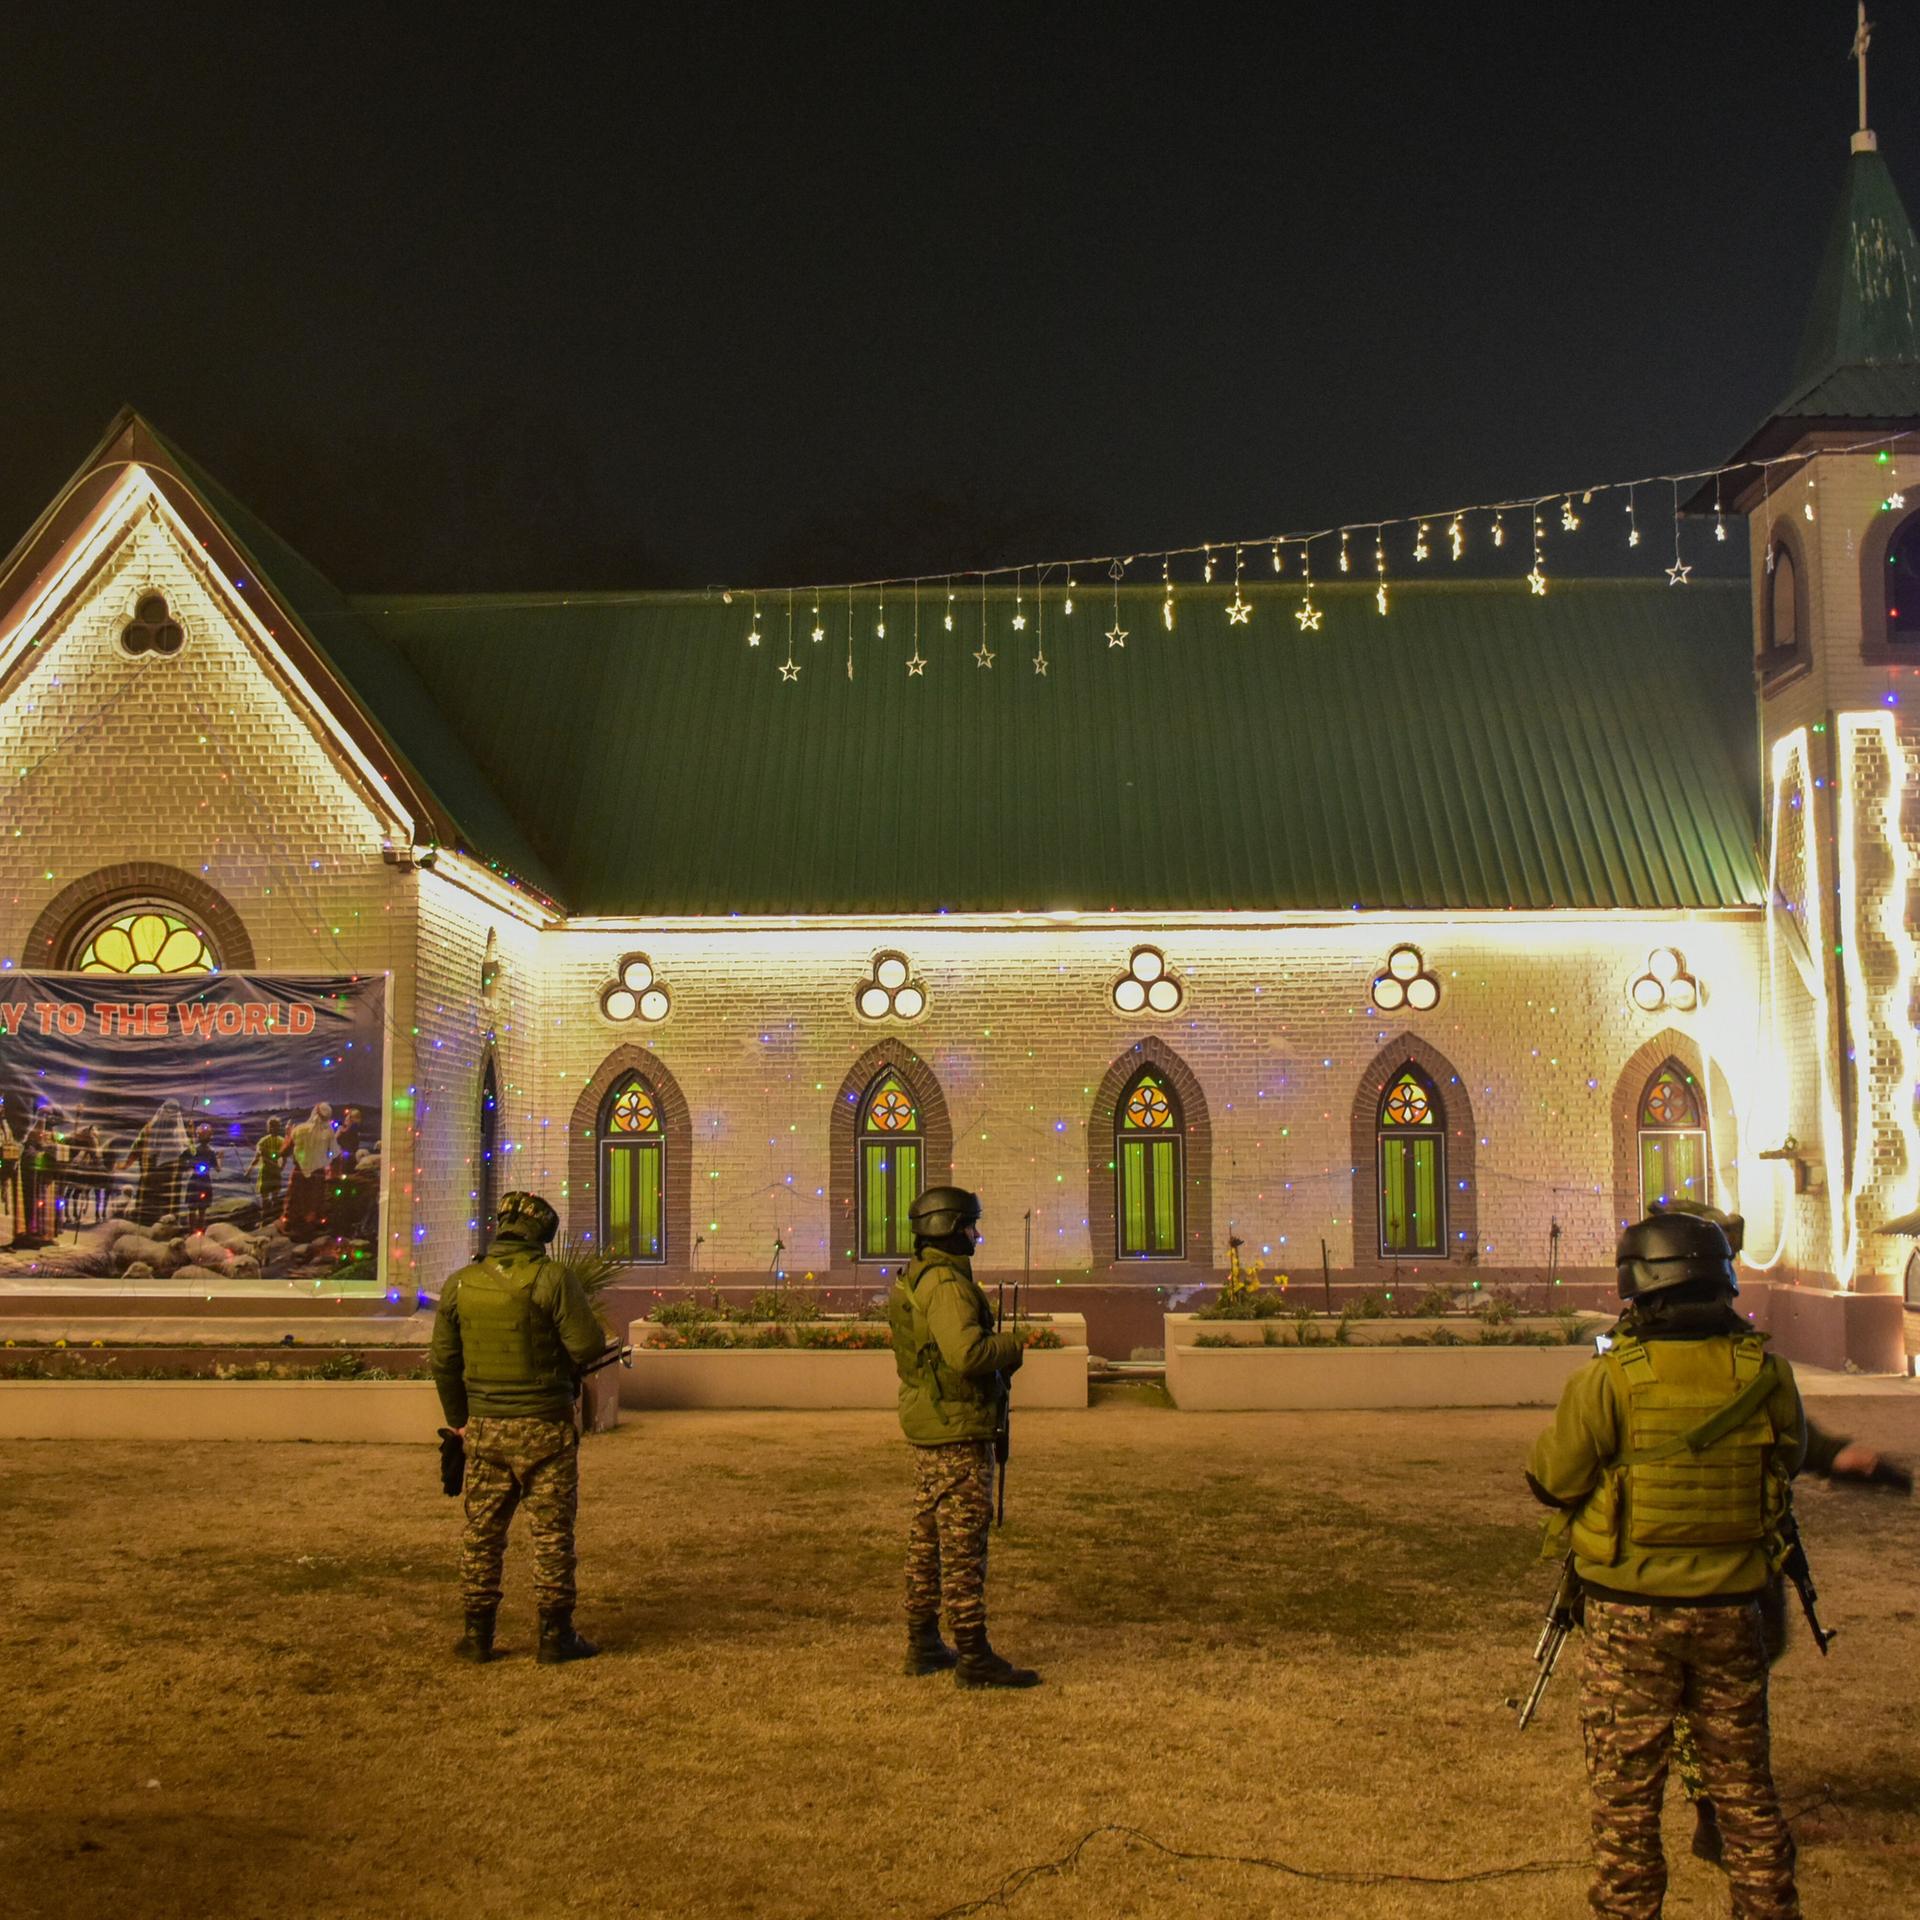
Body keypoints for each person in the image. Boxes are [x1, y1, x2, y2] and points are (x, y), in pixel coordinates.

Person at [1526, 1209, 1805, 1920]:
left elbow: (1554, 1480)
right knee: (1745, 1791)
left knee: (1626, 1802)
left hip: (1628, 1616)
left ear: (1637, 1287)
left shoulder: (1610, 1380)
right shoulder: (1766, 1374)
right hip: (1732, 1610)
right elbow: (1789, 1463)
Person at [429, 1189, 607, 1665]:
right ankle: (555, 1636)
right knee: (551, 1535)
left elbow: (443, 1361)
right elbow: (588, 1347)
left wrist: (460, 1422)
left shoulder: (461, 1283)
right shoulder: (553, 1279)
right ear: (542, 1235)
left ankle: (476, 1635)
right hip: (545, 1428)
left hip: (486, 1431)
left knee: (482, 1534)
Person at [886, 1184, 1038, 1689]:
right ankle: (973, 1653)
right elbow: (966, 1355)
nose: (976, 1234)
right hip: (957, 1429)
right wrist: (1011, 1346)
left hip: (934, 1423)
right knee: (961, 1544)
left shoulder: (919, 1277)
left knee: (927, 1540)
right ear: (949, 1227)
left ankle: (924, 1641)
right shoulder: (947, 1286)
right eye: (970, 1225)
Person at [245, 1116, 288, 1218]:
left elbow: (285, 1158)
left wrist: (281, 1169)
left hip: (273, 1172)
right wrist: (249, 1171)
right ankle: (266, 1217)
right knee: (265, 1197)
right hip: (266, 1172)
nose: (273, 1129)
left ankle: (272, 1217)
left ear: (278, 1127)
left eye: (275, 1126)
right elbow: (257, 1157)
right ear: (268, 1128)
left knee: (274, 1197)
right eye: (271, 1126)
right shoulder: (264, 1141)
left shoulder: (281, 1141)